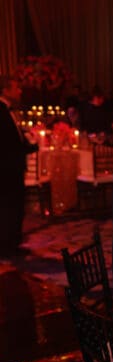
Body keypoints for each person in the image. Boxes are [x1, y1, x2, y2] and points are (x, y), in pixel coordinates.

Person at [0, 76, 36, 257]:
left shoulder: (10, 111)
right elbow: (6, 143)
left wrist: (31, 146)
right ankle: (7, 246)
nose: (20, 91)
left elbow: (16, 140)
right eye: (16, 87)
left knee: (15, 206)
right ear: (6, 90)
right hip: (6, 169)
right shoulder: (1, 111)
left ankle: (12, 243)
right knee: (9, 206)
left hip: (13, 167)